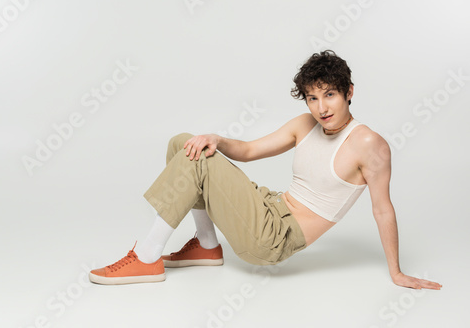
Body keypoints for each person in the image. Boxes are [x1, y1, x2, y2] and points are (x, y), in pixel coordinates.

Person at [89, 50, 442, 290]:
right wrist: (216, 137)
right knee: (186, 142)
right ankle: (208, 246)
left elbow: (382, 209)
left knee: (194, 160)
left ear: (349, 92)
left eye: (330, 95)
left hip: (274, 238)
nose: (322, 108)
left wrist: (396, 272)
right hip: (269, 205)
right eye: (313, 98)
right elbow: (249, 150)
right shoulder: (305, 124)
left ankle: (148, 257)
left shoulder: (369, 145)